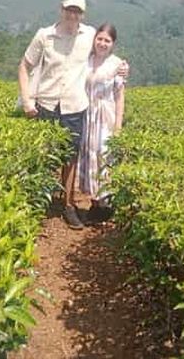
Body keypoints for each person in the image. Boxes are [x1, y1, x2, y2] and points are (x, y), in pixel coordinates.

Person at [18, 0, 127, 230]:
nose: (72, 15)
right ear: (61, 9)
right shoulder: (44, 35)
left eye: (77, 11)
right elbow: (24, 67)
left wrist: (122, 67)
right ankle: (39, 203)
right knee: (44, 156)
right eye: (69, 9)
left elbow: (103, 50)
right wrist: (27, 101)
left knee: (70, 157)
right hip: (46, 104)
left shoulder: (88, 35)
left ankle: (68, 205)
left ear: (83, 15)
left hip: (75, 106)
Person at [77, 23, 125, 221]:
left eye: (107, 40)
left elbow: (120, 96)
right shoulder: (86, 61)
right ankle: (95, 203)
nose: (102, 43)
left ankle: (107, 204)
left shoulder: (117, 65)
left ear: (113, 44)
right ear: (94, 39)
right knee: (89, 156)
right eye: (100, 39)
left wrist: (118, 126)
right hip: (87, 114)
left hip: (106, 116)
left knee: (105, 156)